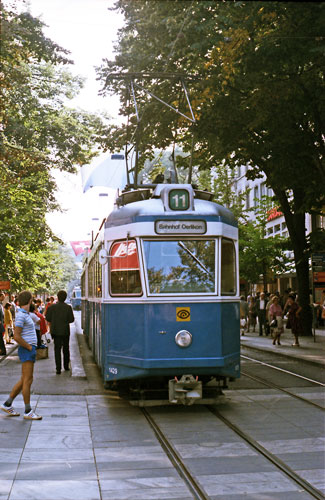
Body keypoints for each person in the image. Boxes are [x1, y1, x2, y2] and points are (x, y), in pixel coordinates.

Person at [1, 290, 42, 419]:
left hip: (27, 350)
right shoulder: (21, 315)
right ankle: (28, 411)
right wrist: (30, 347)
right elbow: (17, 336)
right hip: (27, 350)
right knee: (28, 380)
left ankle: (8, 404)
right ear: (29, 301)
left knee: (24, 379)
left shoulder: (24, 314)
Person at [46, 290, 74, 374]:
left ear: (57, 297)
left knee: (57, 349)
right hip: (65, 331)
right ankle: (66, 366)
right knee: (66, 348)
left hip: (55, 331)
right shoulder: (68, 307)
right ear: (65, 298)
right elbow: (71, 320)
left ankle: (58, 368)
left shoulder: (52, 307)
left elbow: (48, 318)